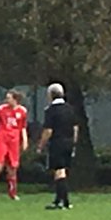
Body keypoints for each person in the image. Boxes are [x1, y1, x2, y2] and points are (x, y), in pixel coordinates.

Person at [35, 82, 78, 210]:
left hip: (57, 143)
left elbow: (48, 130)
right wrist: (73, 142)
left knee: (59, 171)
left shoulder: (51, 111)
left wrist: (40, 145)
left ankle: (64, 202)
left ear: (51, 95)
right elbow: (75, 127)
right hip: (69, 142)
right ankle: (59, 200)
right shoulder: (70, 109)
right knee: (62, 170)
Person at [0, 90, 28, 201]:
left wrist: (25, 140)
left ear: (15, 99)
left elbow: (22, 127)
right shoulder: (1, 110)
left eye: (9, 98)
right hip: (2, 140)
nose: (7, 100)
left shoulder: (22, 111)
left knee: (12, 168)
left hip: (14, 141)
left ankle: (12, 193)